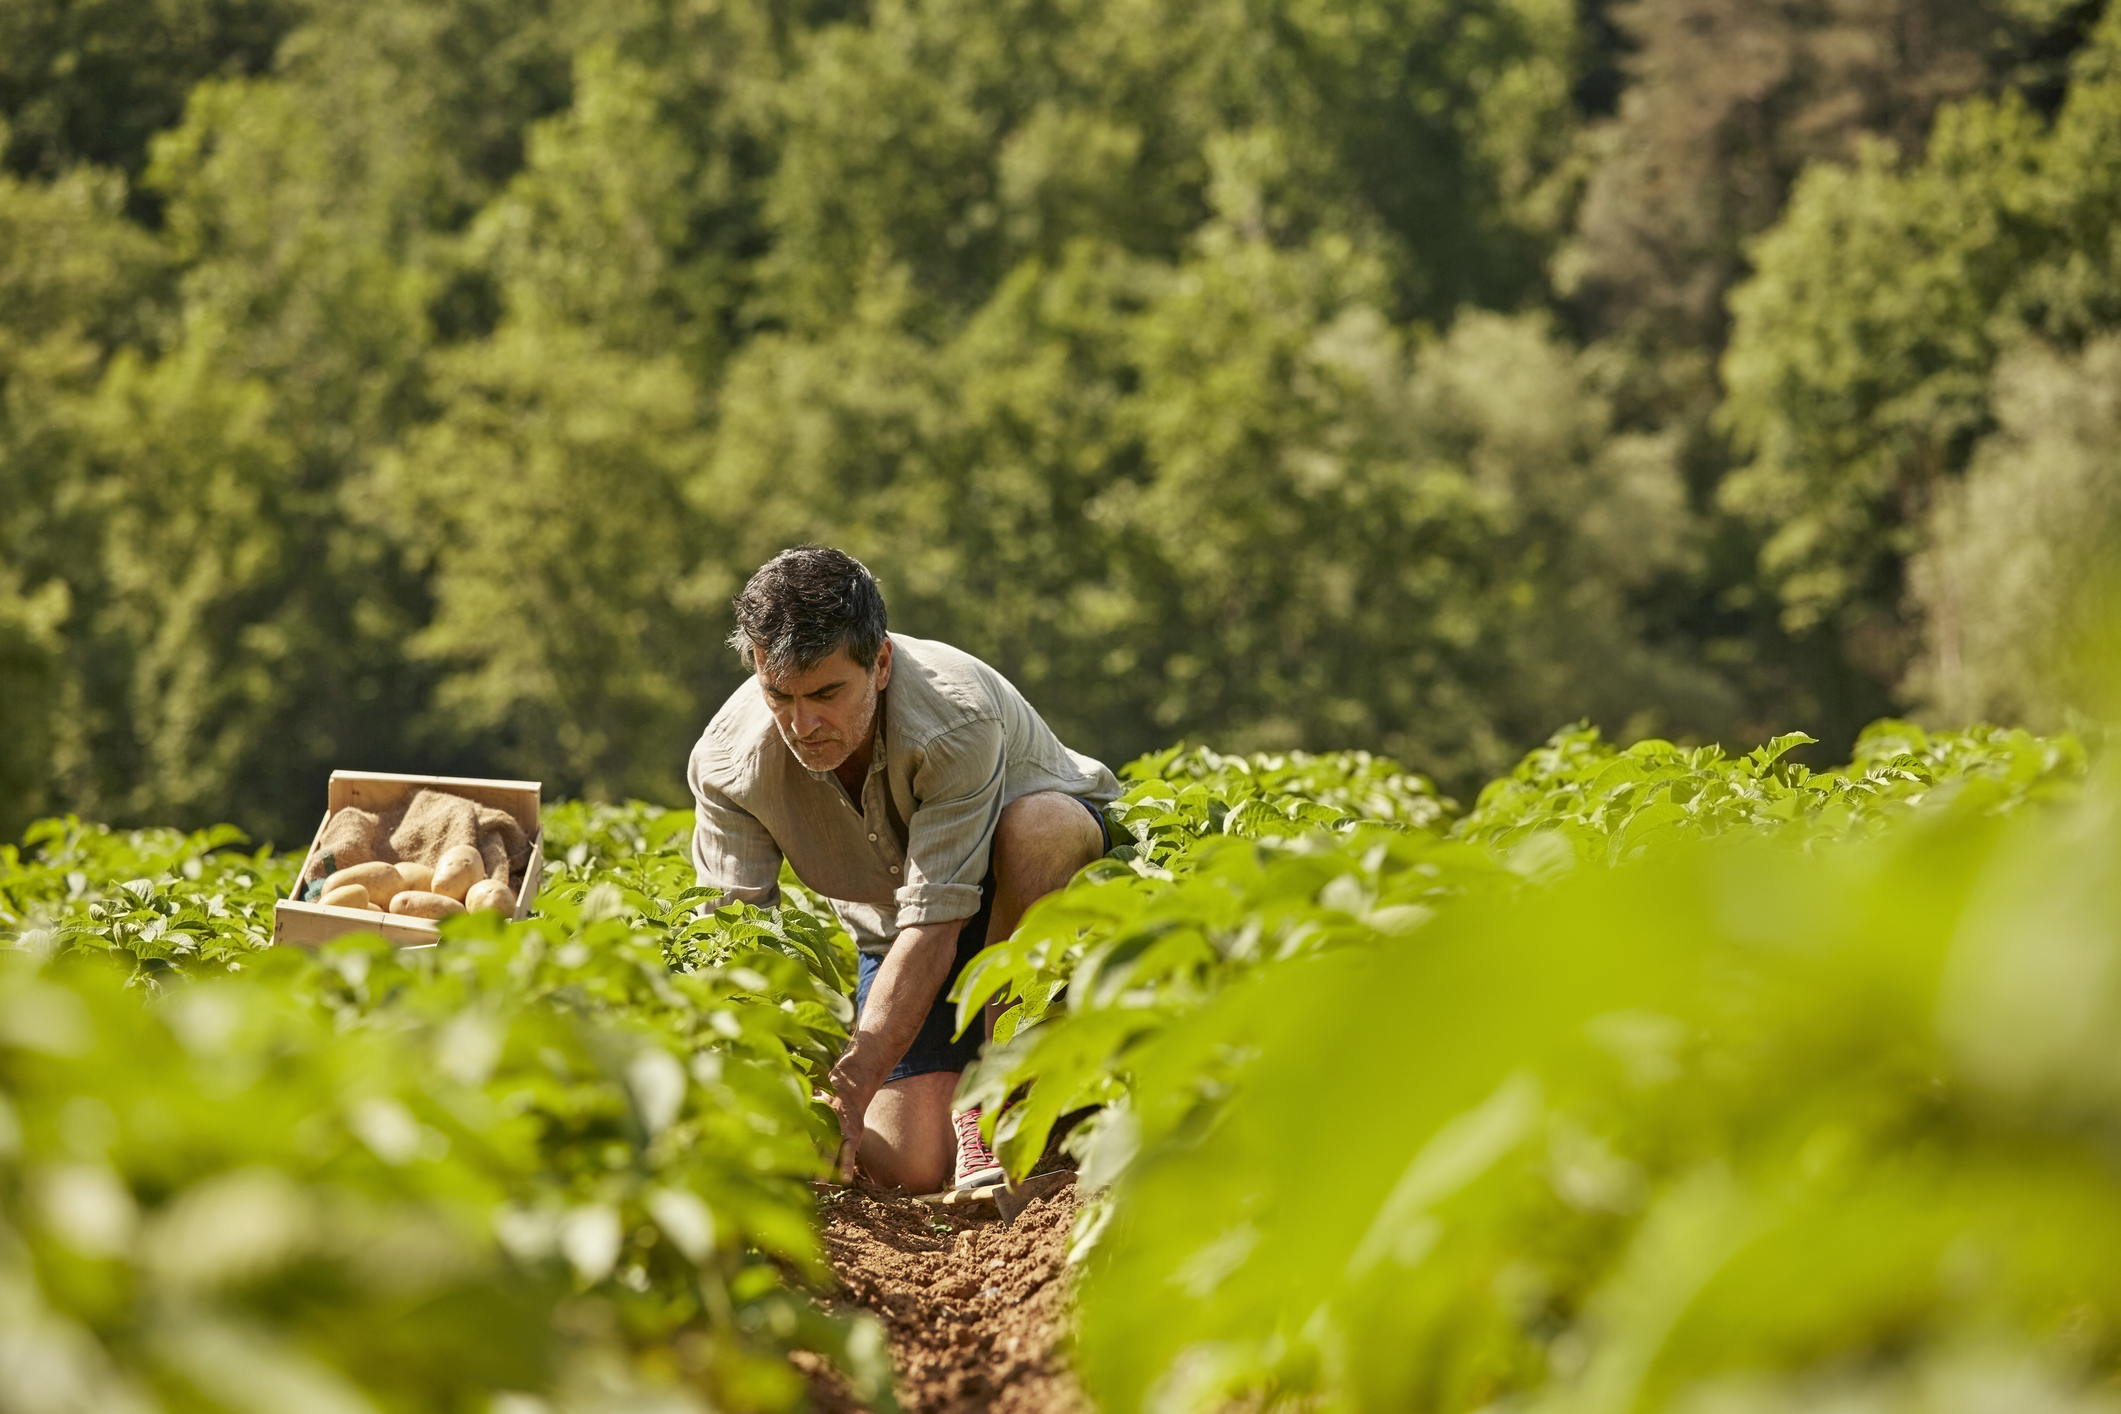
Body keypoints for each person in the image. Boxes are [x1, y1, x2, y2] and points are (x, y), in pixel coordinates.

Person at [688, 546, 1118, 1194]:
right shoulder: (730, 763)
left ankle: (1002, 1092)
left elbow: (940, 920)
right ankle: (975, 1105)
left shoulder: (953, 718)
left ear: (880, 662)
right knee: (908, 1165)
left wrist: (854, 1081)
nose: (803, 725)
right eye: (780, 695)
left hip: (1030, 893)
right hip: (897, 927)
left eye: (828, 693)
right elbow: (736, 938)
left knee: (1039, 826)